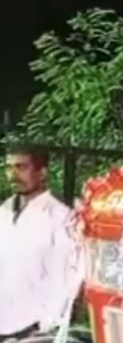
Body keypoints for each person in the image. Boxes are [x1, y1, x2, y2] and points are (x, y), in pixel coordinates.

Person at [0, 145, 82, 341]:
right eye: (9, 167)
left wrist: (50, 323)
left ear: (42, 173)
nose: (12, 175)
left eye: (21, 167)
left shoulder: (61, 217)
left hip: (34, 328)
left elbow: (70, 278)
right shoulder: (4, 212)